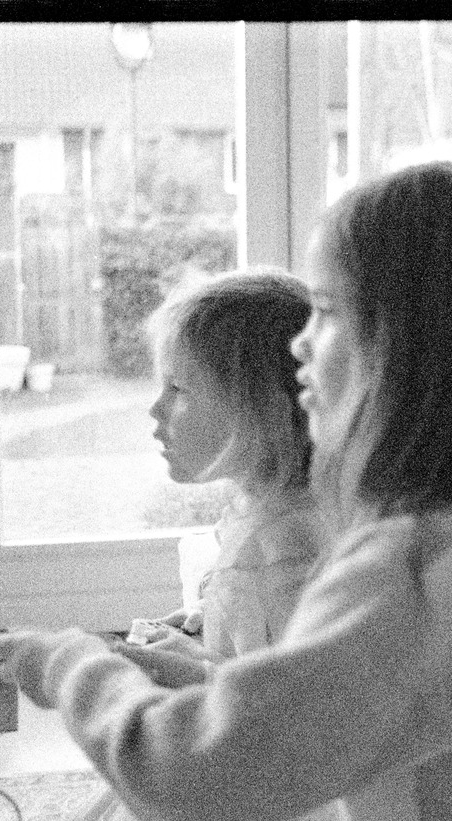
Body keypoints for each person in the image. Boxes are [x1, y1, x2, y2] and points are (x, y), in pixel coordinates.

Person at [0, 154, 452, 820]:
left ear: (424, 349)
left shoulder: (408, 570)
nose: (299, 346)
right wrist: (211, 681)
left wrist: (69, 663)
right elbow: (345, 711)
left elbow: (188, 775)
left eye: (328, 311)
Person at [126, 267, 322, 675]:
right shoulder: (286, 510)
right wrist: (210, 624)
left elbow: (285, 704)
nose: (155, 408)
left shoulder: (270, 557)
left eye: (178, 388)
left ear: (256, 408)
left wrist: (195, 671)